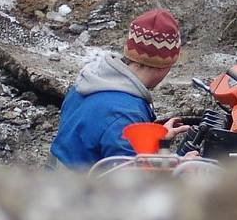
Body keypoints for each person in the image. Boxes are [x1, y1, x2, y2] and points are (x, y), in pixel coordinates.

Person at [50, 9, 190, 169]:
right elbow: (131, 183)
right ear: (164, 66)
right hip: (81, 193)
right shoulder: (126, 114)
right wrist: (180, 165)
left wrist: (155, 141)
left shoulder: (89, 81)